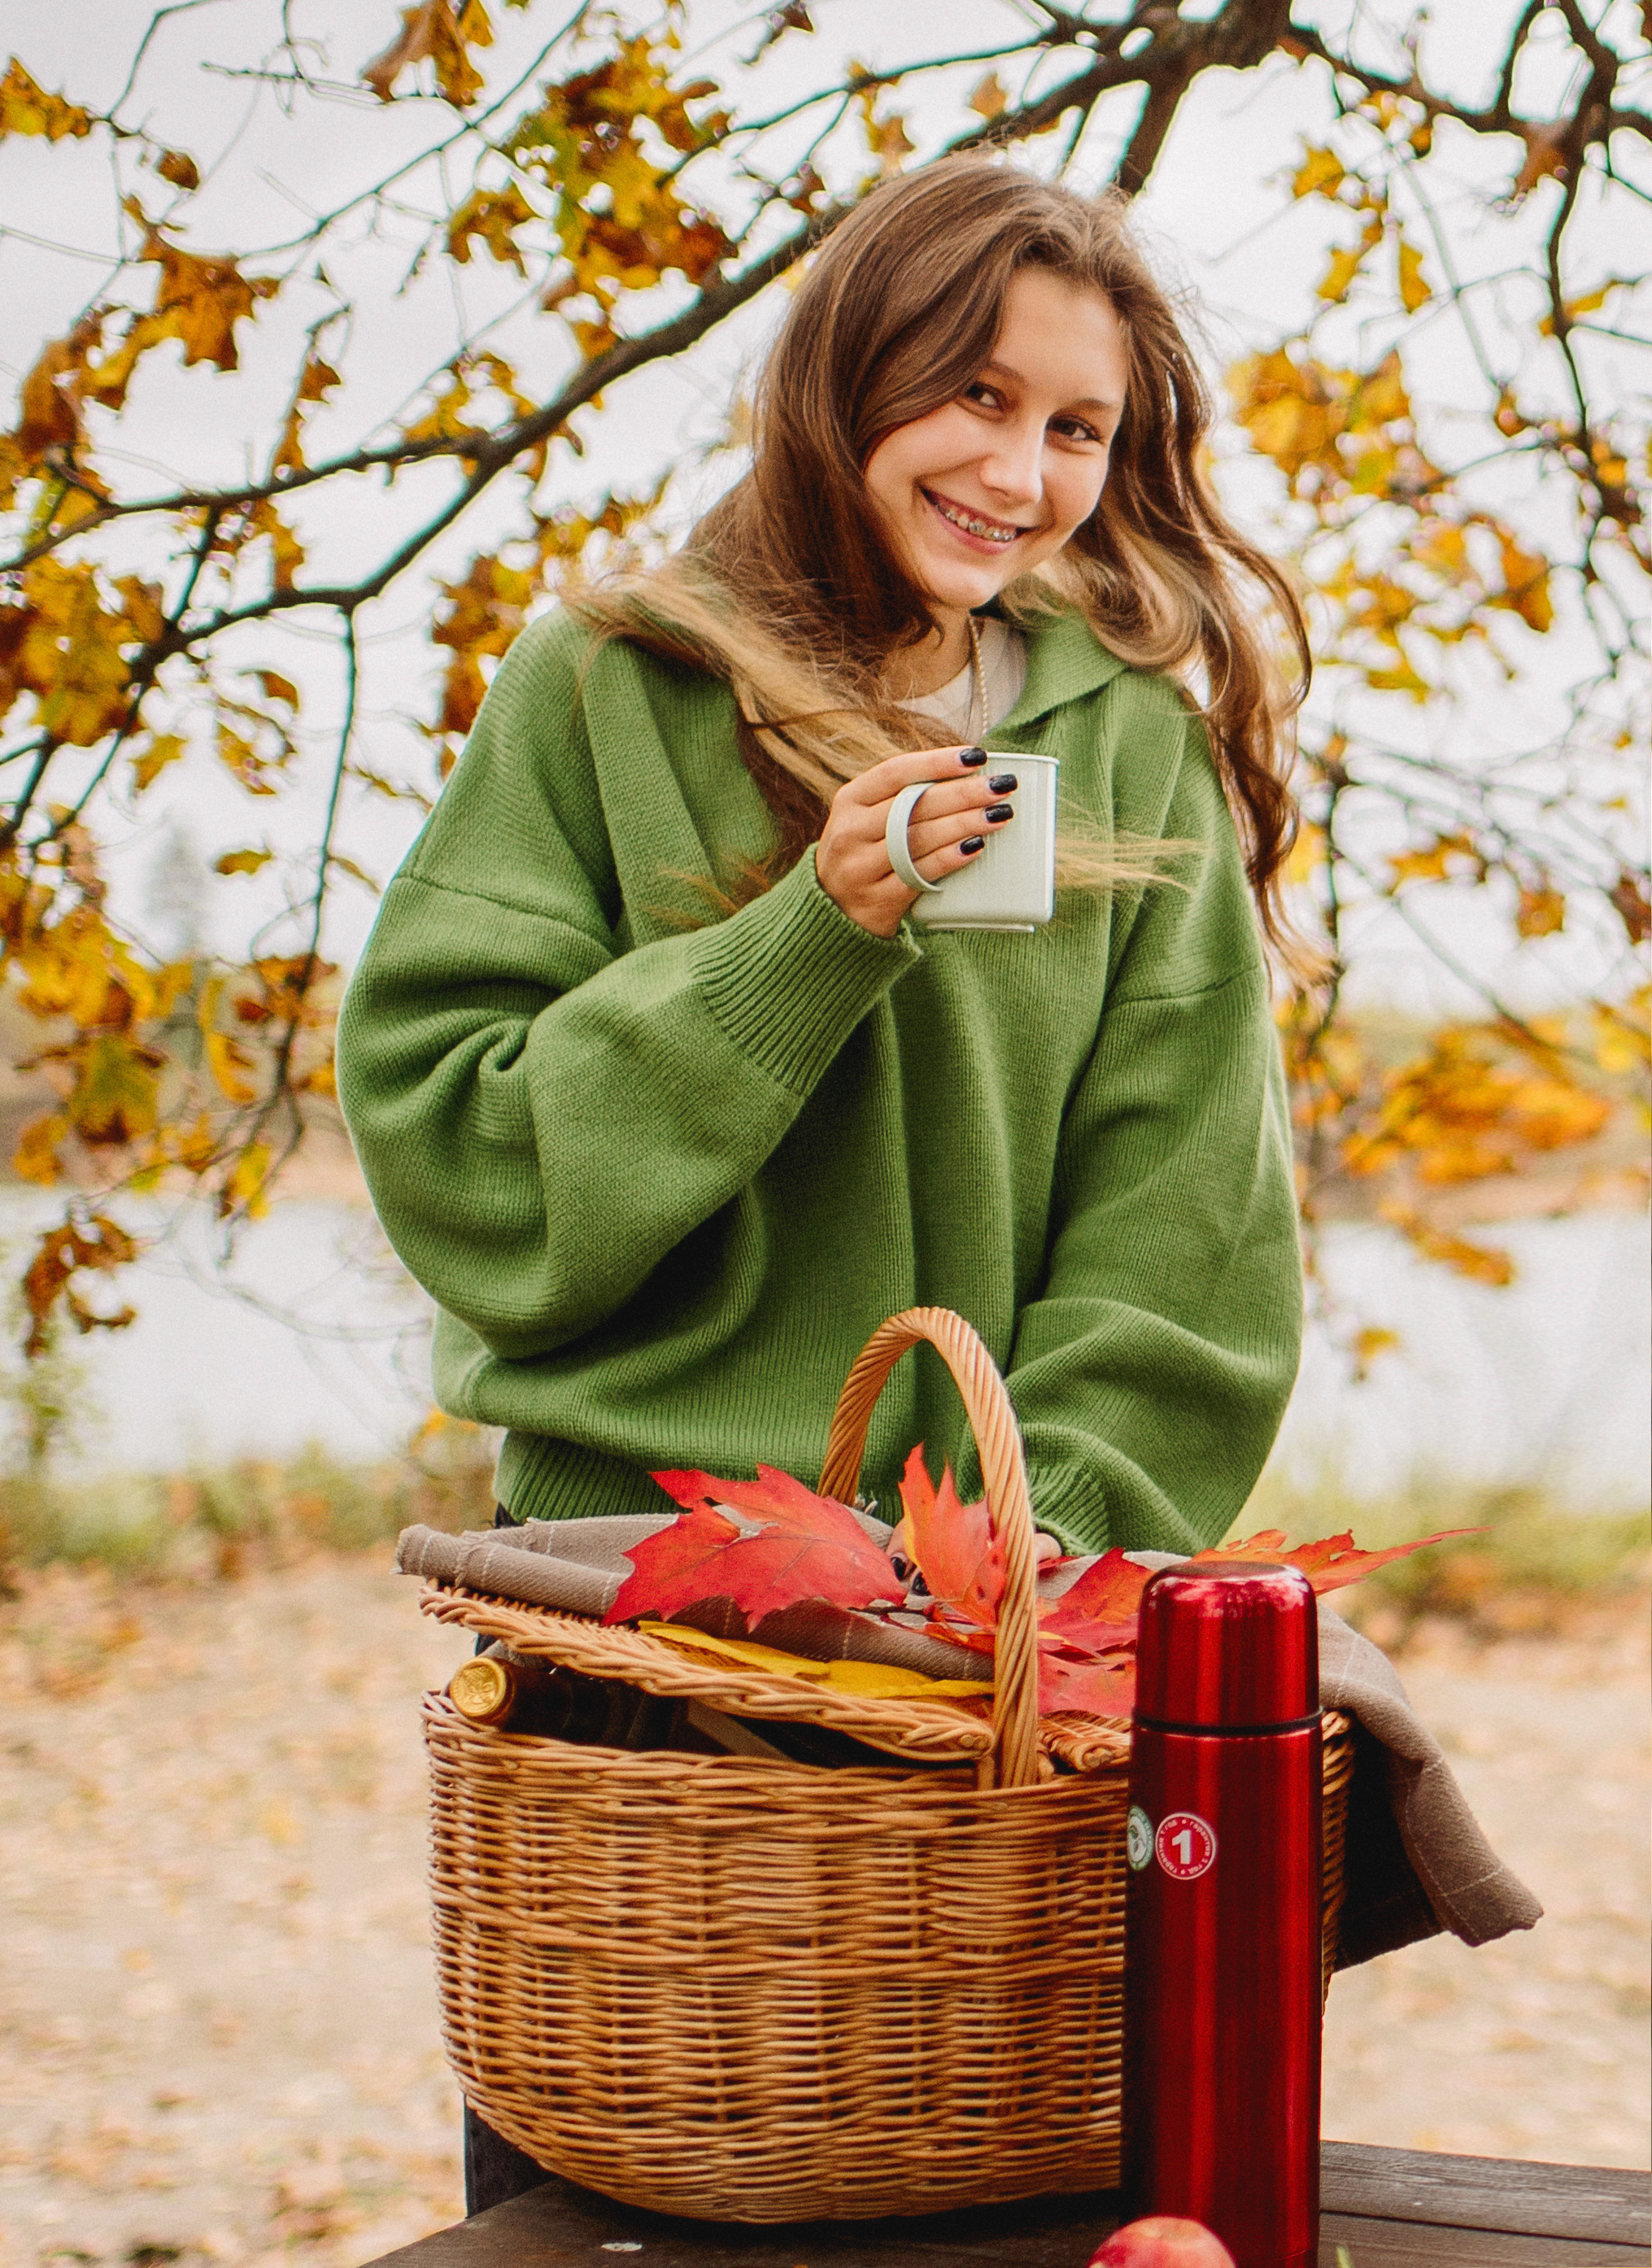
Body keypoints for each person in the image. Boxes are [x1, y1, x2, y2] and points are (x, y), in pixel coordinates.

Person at [335, 154, 1314, 2212]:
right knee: (589, 2223)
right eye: (973, 394)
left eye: (1077, 428)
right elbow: (463, 1145)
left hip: (991, 1687)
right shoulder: (612, 685)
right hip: (637, 1643)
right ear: (845, 376)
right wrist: (803, 938)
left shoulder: (1122, 746)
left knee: (992, 2216)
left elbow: (1187, 1249)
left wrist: (1003, 1596)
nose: (1020, 468)